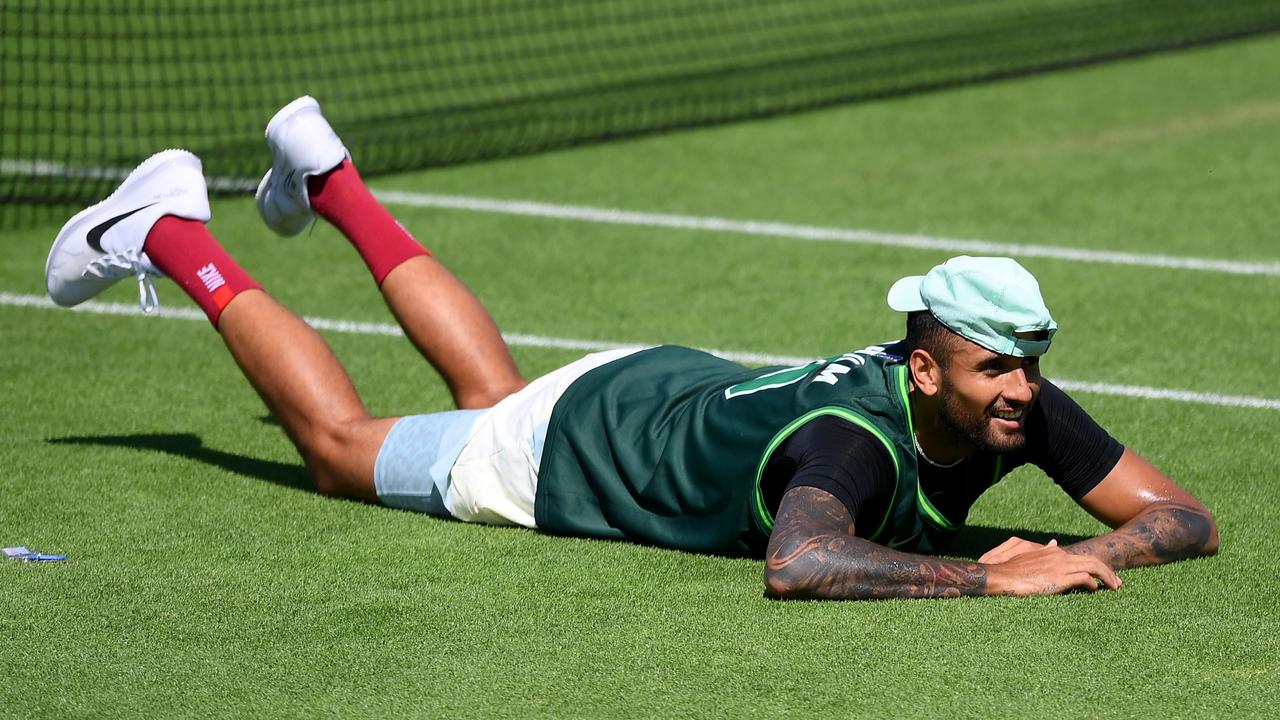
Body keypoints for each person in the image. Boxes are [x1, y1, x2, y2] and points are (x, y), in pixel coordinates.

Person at [45, 97, 1218, 600]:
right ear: (925, 368)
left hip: (653, 383)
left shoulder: (1007, 399)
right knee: (337, 448)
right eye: (994, 368)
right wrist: (991, 571)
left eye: (1027, 361)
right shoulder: (850, 446)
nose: (1018, 391)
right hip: (575, 448)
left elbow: (1183, 515)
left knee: (492, 390)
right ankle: (169, 227)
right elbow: (801, 564)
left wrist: (1089, 542)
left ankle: (327, 173)